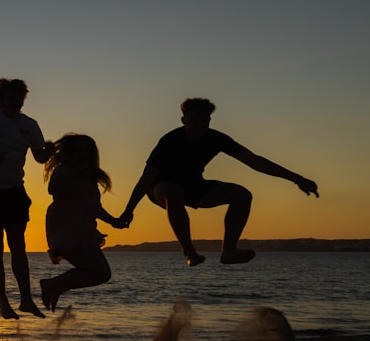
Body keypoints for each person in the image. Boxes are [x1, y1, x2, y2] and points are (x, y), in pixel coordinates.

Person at [118, 98, 319, 266]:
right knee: (173, 190)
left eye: (205, 121)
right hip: (160, 189)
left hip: (195, 187)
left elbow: (255, 161)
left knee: (242, 194)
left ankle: (229, 251)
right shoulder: (170, 140)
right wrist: (128, 211)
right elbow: (146, 178)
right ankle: (190, 253)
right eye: (194, 120)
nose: (200, 126)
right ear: (183, 120)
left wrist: (297, 179)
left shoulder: (216, 139)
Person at [0, 78, 54, 319]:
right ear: (0, 99)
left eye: (19, 97)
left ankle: (26, 299)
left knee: (19, 247)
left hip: (15, 190)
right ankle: (2, 302)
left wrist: (49, 151)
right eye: (11, 97)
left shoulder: (30, 124)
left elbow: (40, 157)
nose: (16, 101)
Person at [39, 134, 124, 312]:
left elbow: (94, 206)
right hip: (66, 227)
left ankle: (56, 286)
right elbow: (52, 189)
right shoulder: (64, 170)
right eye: (78, 151)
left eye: (87, 151)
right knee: (99, 272)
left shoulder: (90, 175)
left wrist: (113, 221)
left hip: (85, 228)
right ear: (70, 152)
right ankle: (50, 284)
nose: (83, 155)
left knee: (101, 273)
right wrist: (76, 173)